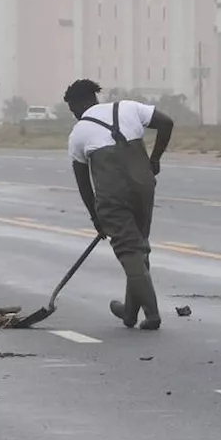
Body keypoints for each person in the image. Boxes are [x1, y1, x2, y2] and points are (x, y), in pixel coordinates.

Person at [64, 79, 175, 330]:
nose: (74, 115)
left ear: (81, 103)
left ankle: (152, 313)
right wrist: (155, 160)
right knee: (138, 247)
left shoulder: (79, 132)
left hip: (113, 195)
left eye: (72, 109)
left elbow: (84, 183)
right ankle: (129, 313)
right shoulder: (128, 108)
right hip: (144, 186)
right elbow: (166, 123)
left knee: (128, 250)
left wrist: (96, 219)